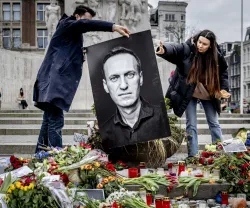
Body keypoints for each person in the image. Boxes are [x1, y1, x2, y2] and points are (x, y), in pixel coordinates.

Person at [33, 5, 130, 153]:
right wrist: (113, 26)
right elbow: (84, 25)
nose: (87, 23)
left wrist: (82, 53)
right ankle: (56, 158)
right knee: (56, 121)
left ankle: (40, 155)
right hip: (54, 82)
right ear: (77, 16)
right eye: (86, 19)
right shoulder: (68, 24)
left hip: (51, 81)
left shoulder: (69, 33)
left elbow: (66, 52)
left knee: (49, 120)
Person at [156, 29, 231, 157]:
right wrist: (164, 50)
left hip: (208, 92)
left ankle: (219, 153)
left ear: (211, 45)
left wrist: (224, 89)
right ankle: (193, 155)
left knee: (214, 123)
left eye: (204, 44)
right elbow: (175, 49)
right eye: (199, 42)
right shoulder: (187, 49)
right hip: (189, 92)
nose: (200, 46)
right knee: (191, 124)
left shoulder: (216, 56)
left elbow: (223, 73)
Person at [100, 47, 170, 150]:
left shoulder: (162, 119)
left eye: (130, 74)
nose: (123, 86)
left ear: (140, 78)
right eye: (114, 78)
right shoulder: (104, 131)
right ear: (105, 86)